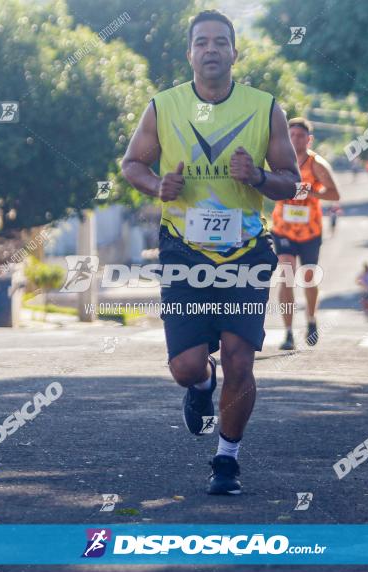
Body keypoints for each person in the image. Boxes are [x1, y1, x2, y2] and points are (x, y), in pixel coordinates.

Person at [120, 10, 300, 495]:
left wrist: (259, 177)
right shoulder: (164, 105)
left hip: (244, 252)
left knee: (241, 359)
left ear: (234, 52)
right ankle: (201, 386)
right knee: (185, 367)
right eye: (202, 42)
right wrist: (159, 184)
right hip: (184, 250)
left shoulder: (266, 109)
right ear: (191, 53)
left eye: (221, 41)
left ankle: (226, 458)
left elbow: (292, 182)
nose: (212, 49)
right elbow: (131, 163)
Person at [271, 117, 341, 351]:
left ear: (309, 139)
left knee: (308, 278)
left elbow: (334, 194)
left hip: (310, 230)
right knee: (287, 275)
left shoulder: (316, 164)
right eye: (291, 135)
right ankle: (288, 332)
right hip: (283, 228)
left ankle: (311, 320)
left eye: (300, 136)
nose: (295, 139)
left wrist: (312, 192)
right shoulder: (278, 161)